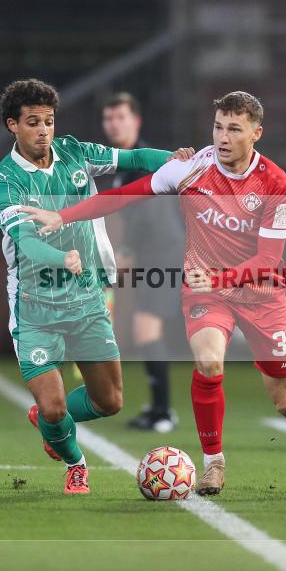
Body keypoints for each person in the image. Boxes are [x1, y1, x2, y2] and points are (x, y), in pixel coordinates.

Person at [22, 91, 286, 496]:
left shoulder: (275, 183)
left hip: (261, 295)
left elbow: (267, 259)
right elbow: (123, 195)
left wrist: (219, 278)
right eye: (217, 127)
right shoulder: (192, 169)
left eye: (234, 129)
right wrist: (63, 215)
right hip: (206, 293)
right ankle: (213, 464)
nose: (222, 137)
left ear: (256, 134)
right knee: (209, 361)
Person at [0, 79, 192, 495]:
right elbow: (25, 241)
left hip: (86, 298)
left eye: (48, 121)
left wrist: (171, 160)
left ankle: (47, 423)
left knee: (109, 401)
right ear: (13, 125)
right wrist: (59, 258)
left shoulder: (76, 152)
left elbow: (132, 156)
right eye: (33, 122)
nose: (44, 130)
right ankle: (75, 463)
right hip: (35, 305)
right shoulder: (5, 184)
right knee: (54, 404)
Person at [100, 92, 184, 433]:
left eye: (121, 117)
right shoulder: (125, 164)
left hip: (164, 254)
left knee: (147, 329)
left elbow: (150, 214)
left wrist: (127, 254)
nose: (114, 124)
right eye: (109, 118)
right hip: (153, 254)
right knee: (144, 329)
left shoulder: (144, 161)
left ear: (136, 121)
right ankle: (159, 408)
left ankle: (164, 412)